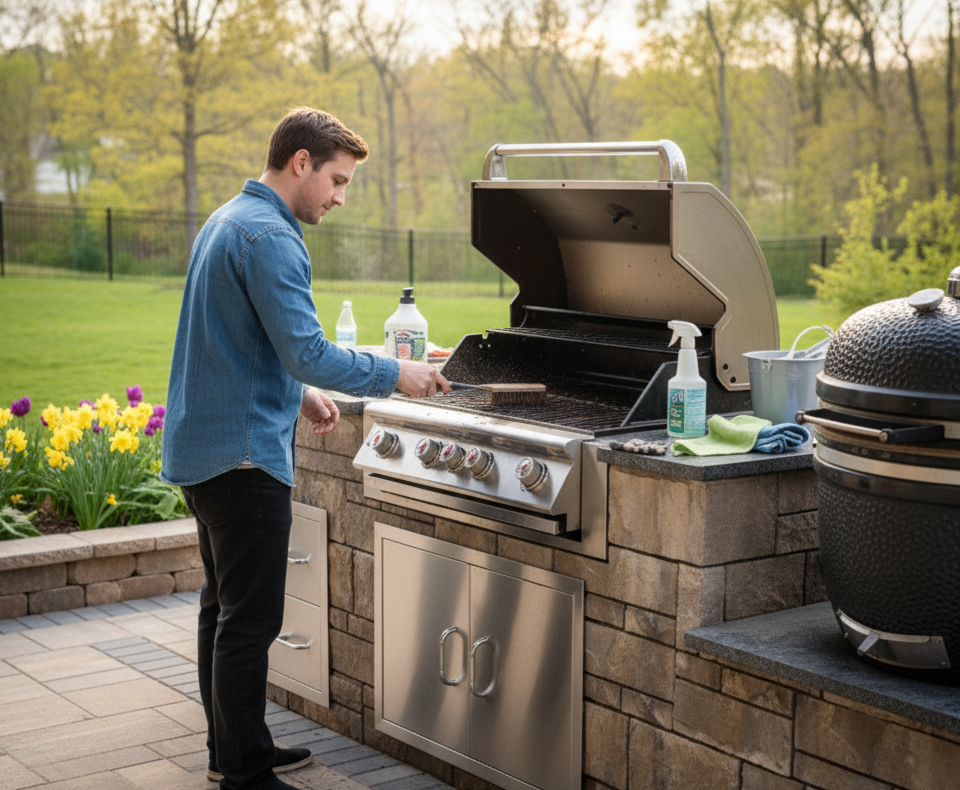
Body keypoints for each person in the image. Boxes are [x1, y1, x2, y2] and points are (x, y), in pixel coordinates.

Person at [160, 107, 449, 790]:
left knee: (222, 609)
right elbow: (306, 349)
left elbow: (238, 340)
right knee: (249, 621)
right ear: (301, 163)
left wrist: (298, 393)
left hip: (205, 449)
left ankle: (233, 748)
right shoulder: (270, 238)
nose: (340, 197)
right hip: (244, 459)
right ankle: (244, 772)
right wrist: (397, 373)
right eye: (338, 180)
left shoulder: (228, 219)